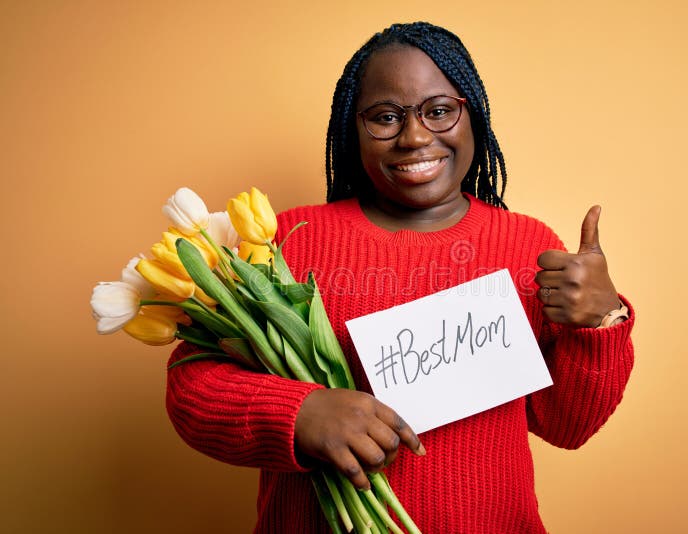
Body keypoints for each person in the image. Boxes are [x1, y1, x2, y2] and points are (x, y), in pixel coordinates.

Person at [167, 22, 634, 533]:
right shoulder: (289, 241)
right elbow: (190, 384)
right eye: (386, 117)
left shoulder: (527, 245)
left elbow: (569, 428)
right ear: (353, 126)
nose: (414, 137)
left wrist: (599, 324)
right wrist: (300, 414)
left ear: (471, 115)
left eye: (438, 111)